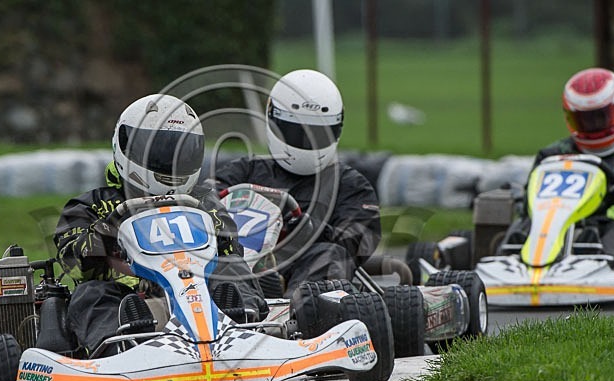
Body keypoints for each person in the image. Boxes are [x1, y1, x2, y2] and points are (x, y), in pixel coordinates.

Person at [54, 94, 268, 356]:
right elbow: (72, 263)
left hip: (199, 294)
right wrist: (108, 231)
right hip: (133, 303)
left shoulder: (203, 201)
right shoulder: (93, 206)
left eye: (179, 152)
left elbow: (230, 251)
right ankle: (118, 351)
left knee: (233, 269)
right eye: (159, 151)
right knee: (92, 294)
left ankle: (242, 330)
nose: (169, 162)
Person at [213, 69, 382, 295]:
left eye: (317, 133)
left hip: (302, 283)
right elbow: (204, 200)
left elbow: (356, 244)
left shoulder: (351, 187)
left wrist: (307, 230)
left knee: (329, 254)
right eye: (296, 131)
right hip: (239, 265)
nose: (305, 141)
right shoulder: (245, 171)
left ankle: (296, 310)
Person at [508, 67, 614, 268]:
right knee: (522, 226)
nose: (594, 126)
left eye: (602, 116)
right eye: (585, 120)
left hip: (613, 225)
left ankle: (605, 269)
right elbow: (527, 203)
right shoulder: (551, 155)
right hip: (553, 224)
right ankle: (507, 265)